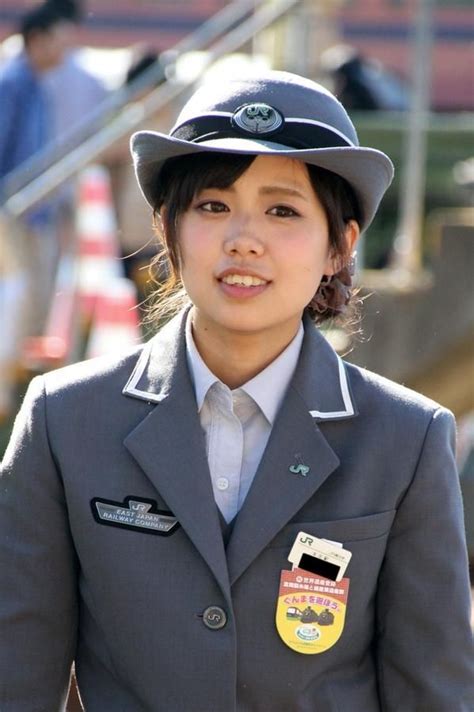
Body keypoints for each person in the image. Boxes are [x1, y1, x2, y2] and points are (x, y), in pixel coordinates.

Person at [0, 71, 472, 711]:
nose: (243, 239)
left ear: (340, 245)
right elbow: (16, 678)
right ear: (168, 229)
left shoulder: (407, 438)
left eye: (283, 210)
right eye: (213, 206)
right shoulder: (65, 421)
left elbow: (435, 692)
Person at [0, 2, 72, 419]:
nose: (65, 50)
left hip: (30, 214)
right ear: (38, 39)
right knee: (16, 296)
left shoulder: (36, 83)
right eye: (60, 40)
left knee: (29, 301)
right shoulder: (12, 83)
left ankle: (11, 394)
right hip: (11, 213)